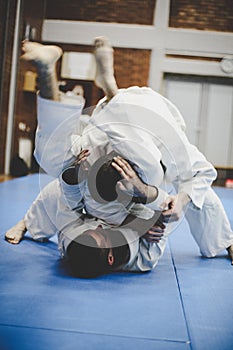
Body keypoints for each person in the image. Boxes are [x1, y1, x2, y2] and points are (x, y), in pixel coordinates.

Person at [5, 38, 168, 278]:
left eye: (91, 233)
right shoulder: (145, 258)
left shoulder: (71, 240)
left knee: (51, 161)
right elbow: (163, 205)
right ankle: (110, 87)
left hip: (89, 173)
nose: (98, 229)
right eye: (99, 237)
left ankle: (47, 72)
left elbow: (70, 204)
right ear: (111, 257)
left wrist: (73, 173)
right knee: (152, 170)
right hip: (129, 169)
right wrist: (144, 195)